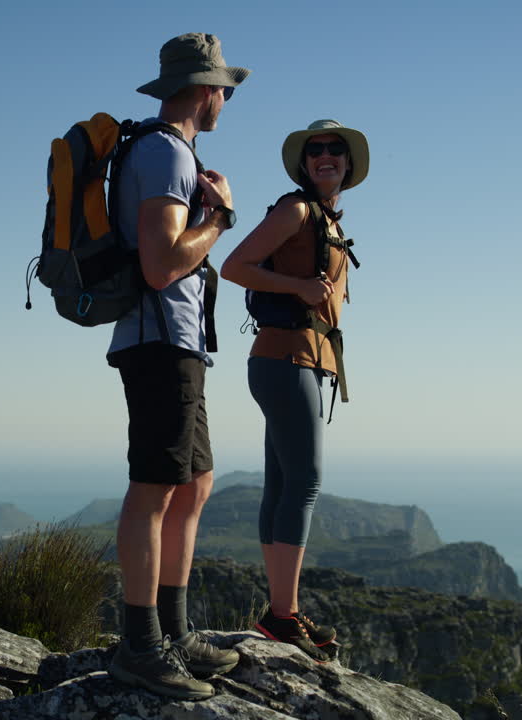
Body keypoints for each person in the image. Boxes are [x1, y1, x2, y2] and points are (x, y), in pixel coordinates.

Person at [104, 33, 248, 701]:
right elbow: (162, 264)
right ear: (205, 88)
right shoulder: (164, 152)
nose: (227, 99)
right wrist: (217, 218)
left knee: (195, 482)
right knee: (156, 486)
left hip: (179, 342)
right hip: (159, 340)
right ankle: (140, 645)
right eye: (225, 88)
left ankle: (173, 630)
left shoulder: (175, 153)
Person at [219, 119, 370, 662]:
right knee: (304, 482)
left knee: (282, 483)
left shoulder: (324, 219)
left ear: (347, 165)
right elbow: (235, 266)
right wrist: (300, 286)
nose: (325, 156)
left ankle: (281, 611)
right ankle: (282, 616)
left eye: (335, 150)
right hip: (286, 359)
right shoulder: (296, 210)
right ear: (304, 165)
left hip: (294, 361)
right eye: (316, 151)